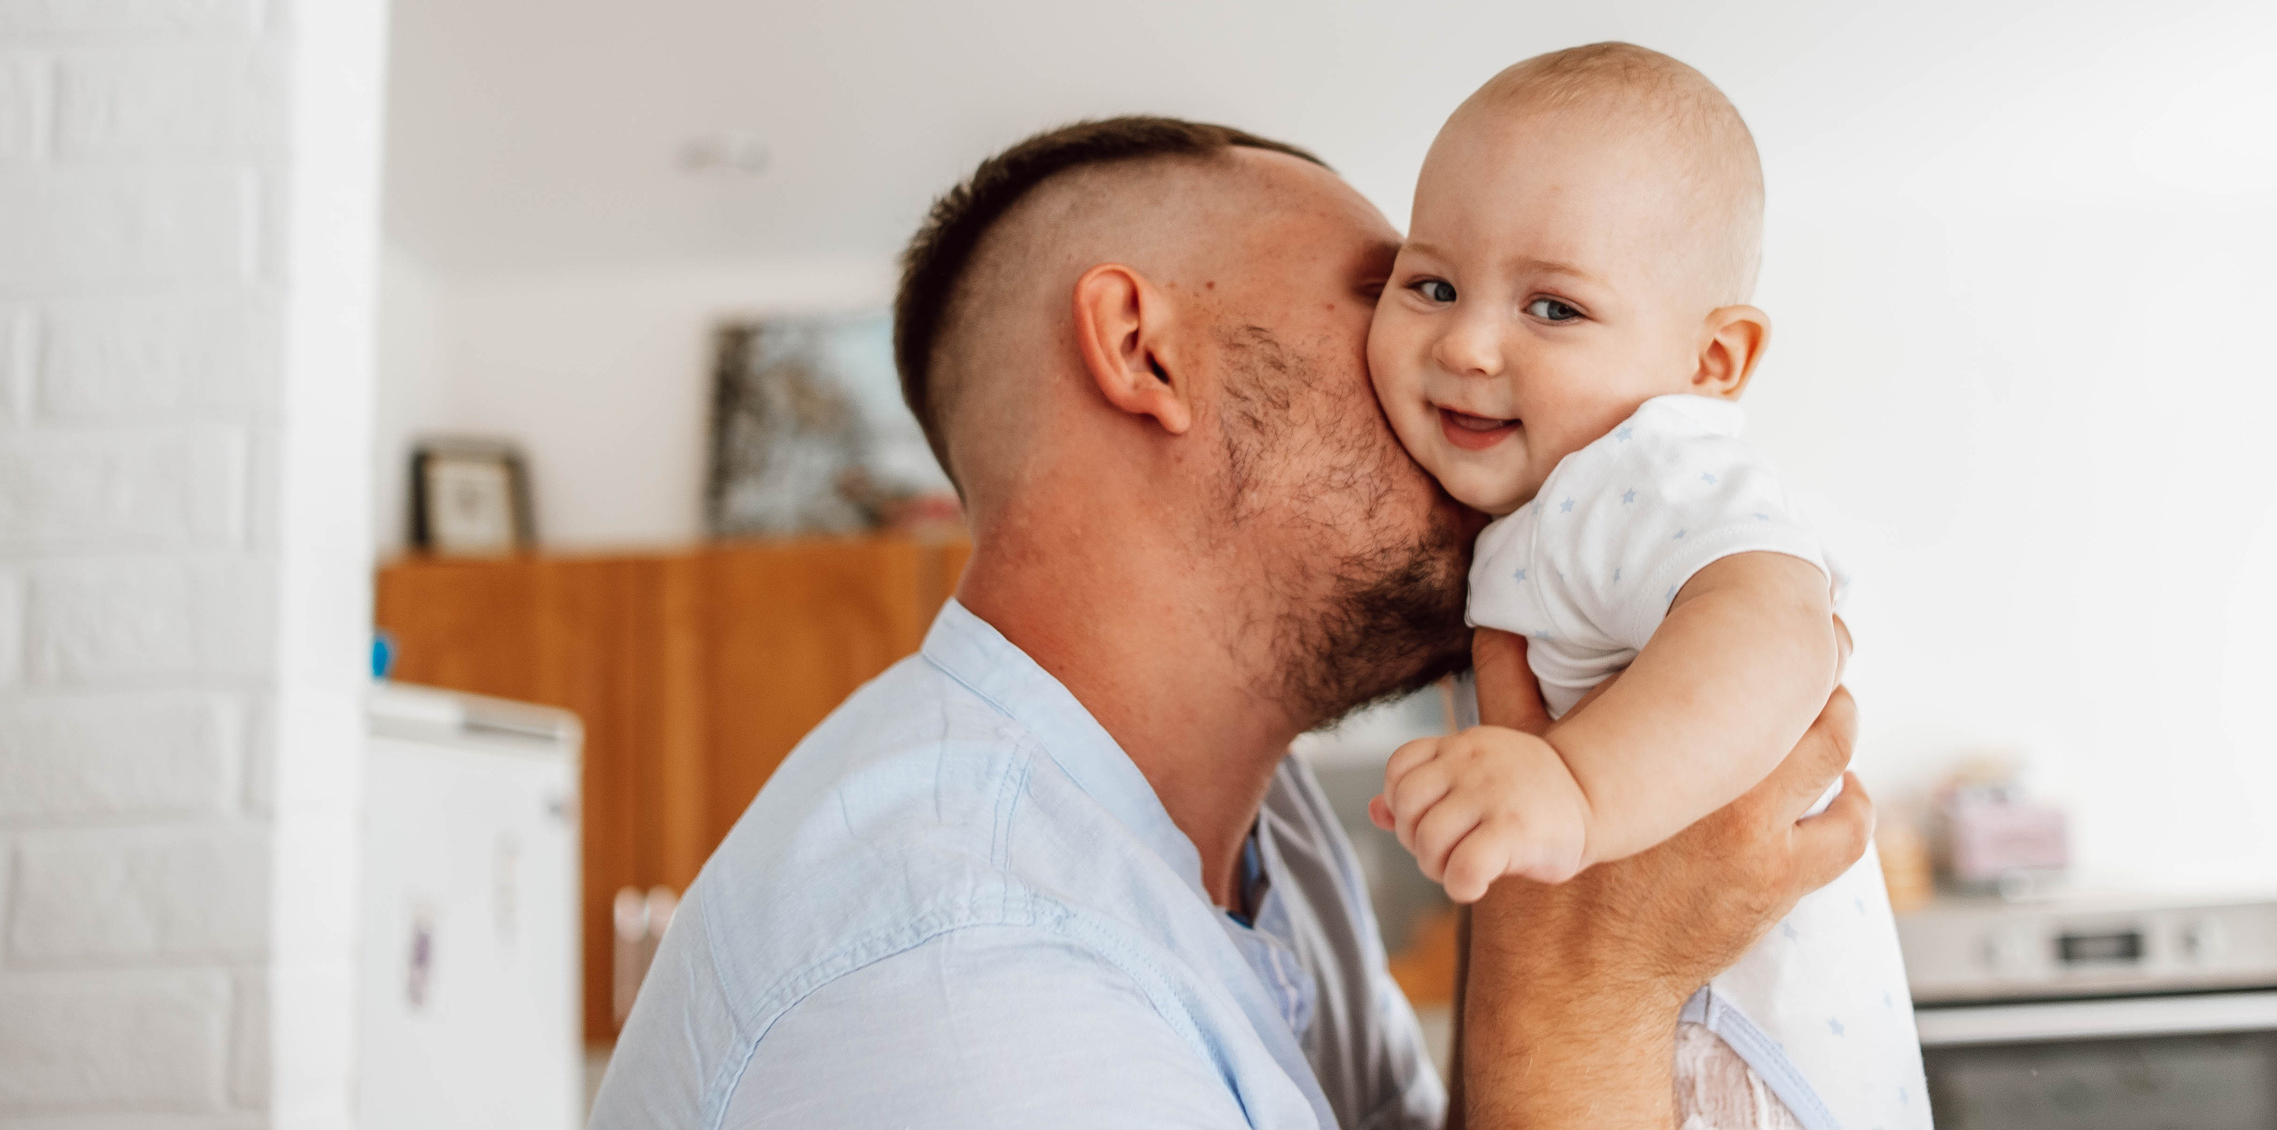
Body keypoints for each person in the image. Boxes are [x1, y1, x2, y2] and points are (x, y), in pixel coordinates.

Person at [588, 115, 1872, 1130]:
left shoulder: (1277, 836)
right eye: (1400, 290)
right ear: (1143, 350)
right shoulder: (962, 978)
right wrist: (1587, 1002)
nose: (1457, 367)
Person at [1365, 45, 1927, 1130]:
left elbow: (1779, 631)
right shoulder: (1550, 497)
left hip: (1750, 1035)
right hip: (1686, 1026)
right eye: (1429, 286)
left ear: (1712, 362)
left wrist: (1576, 793)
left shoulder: (1652, 465)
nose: (1469, 343)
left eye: (1554, 310)